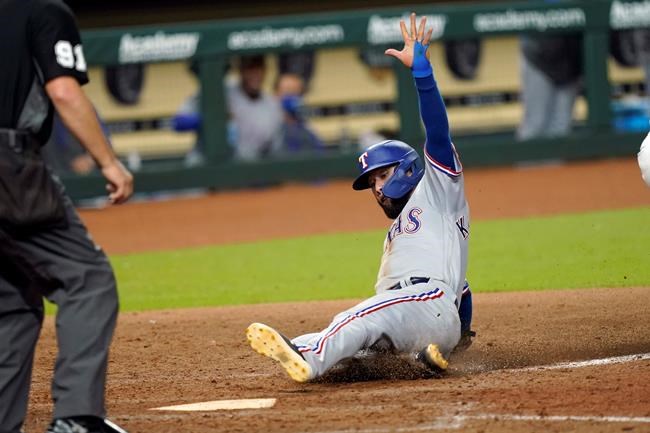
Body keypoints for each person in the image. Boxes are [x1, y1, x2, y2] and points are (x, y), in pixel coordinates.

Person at [246, 13, 475, 383]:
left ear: (408, 168)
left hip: (426, 302)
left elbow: (436, 130)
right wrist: (458, 336)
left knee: (355, 319)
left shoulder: (439, 188)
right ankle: (417, 358)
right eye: (372, 184)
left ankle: (311, 356)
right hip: (418, 319)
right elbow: (463, 291)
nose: (378, 188)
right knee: (358, 354)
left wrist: (423, 76)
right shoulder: (403, 232)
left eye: (383, 175)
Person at [0, 1, 133, 433]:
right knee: (88, 279)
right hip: (8, 166)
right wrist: (109, 162)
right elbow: (63, 91)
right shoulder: (42, 10)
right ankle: (77, 418)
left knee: (13, 300)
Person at [516, 30, 583, 141]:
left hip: (571, 61)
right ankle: (528, 158)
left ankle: (555, 158)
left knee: (562, 125)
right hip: (538, 58)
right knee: (536, 124)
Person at [274, 73, 324, 153]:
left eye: (295, 92)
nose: (291, 96)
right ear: (276, 94)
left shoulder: (307, 133)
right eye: (287, 91)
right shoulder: (268, 128)